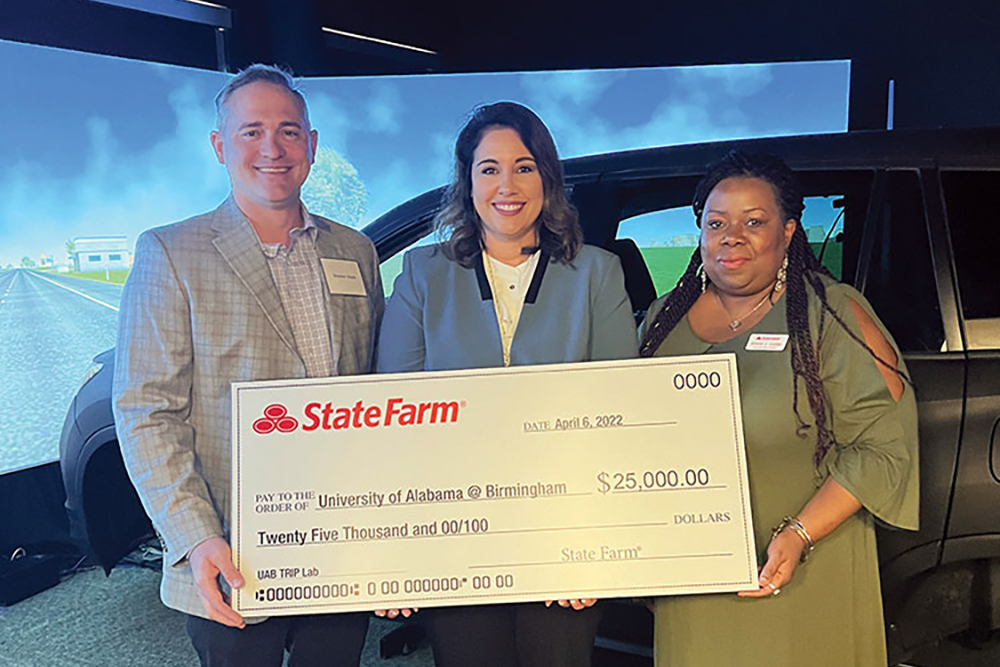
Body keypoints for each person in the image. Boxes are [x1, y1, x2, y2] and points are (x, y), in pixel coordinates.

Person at [112, 64, 383, 667]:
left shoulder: (355, 252)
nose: (272, 148)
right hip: (232, 553)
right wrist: (195, 537)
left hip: (342, 544)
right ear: (219, 146)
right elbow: (146, 412)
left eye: (289, 131)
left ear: (311, 145)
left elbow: (374, 395)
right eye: (251, 131)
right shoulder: (170, 252)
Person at [377, 101, 638, 667]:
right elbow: (391, 421)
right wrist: (390, 550)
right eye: (488, 168)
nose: (507, 185)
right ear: (466, 181)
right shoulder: (423, 274)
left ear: (548, 177)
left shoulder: (597, 272)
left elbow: (621, 417)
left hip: (566, 534)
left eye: (524, 166)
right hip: (454, 532)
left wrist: (598, 546)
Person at [639, 151, 918, 666]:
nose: (731, 236)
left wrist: (799, 534)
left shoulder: (833, 312)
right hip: (695, 589)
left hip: (802, 573)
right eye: (717, 222)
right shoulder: (662, 322)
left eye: (754, 222)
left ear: (788, 231)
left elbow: (884, 449)